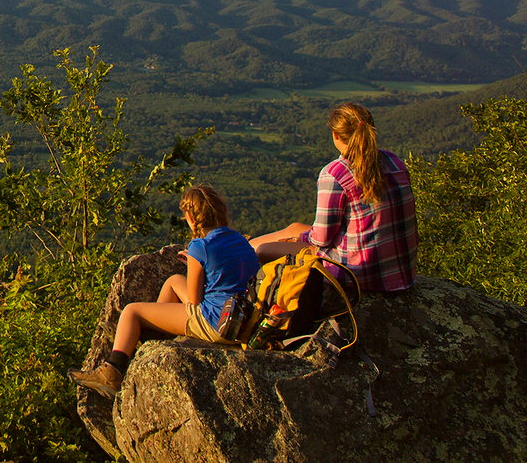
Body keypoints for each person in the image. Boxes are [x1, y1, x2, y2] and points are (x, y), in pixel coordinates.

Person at [69, 184, 259, 399]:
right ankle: (154, 334)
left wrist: (194, 262)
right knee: (174, 280)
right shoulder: (240, 240)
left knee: (132, 311)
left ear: (191, 216)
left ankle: (112, 372)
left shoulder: (200, 246)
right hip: (240, 319)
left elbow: (195, 301)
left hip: (216, 323)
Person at [249, 102, 418, 294]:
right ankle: (245, 245)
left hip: (357, 274)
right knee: (294, 227)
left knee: (262, 251)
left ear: (335, 135)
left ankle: (240, 249)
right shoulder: (395, 162)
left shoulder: (335, 173)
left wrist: (299, 238)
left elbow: (320, 240)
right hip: (402, 273)